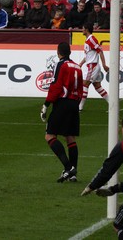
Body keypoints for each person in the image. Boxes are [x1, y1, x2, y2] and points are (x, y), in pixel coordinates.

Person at [40, 42, 83, 182]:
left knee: (50, 136)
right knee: (70, 137)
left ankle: (69, 167)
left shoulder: (61, 64)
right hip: (74, 103)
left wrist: (46, 104)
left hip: (63, 103)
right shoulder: (77, 66)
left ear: (59, 52)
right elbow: (81, 88)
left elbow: (56, 86)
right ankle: (73, 174)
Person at [78, 22, 109, 111]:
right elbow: (88, 56)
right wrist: (80, 64)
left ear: (86, 29)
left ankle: (80, 107)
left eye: (83, 28)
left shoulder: (92, 39)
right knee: (98, 86)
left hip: (93, 66)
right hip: (93, 65)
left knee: (84, 84)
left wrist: (104, 65)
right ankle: (113, 104)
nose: (82, 30)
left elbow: (100, 51)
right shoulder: (88, 40)